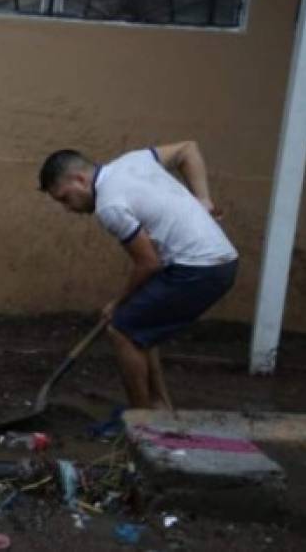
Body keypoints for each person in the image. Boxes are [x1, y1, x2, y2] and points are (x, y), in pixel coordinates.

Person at [38, 142, 239, 410]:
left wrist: (117, 302)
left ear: (80, 179)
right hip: (219, 260)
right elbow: (187, 149)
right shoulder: (133, 160)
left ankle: (140, 424)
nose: (68, 208)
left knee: (122, 330)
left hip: (198, 270)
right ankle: (158, 405)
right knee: (140, 325)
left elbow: (148, 264)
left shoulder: (109, 206)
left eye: (65, 198)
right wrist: (203, 198)